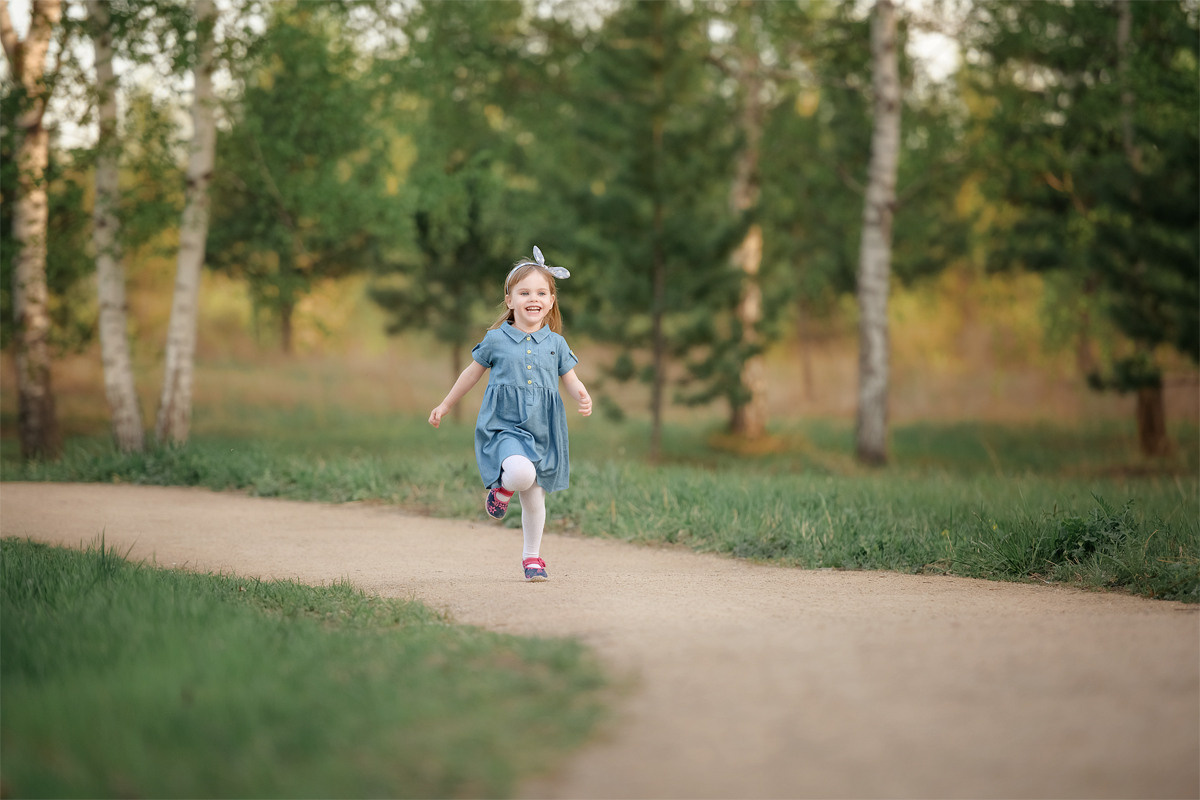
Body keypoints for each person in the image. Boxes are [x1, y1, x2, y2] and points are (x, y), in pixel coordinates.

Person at [428, 247, 592, 582]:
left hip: (543, 428)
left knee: (534, 498)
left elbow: (570, 378)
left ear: (551, 301)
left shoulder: (556, 344)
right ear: (510, 300)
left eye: (541, 293)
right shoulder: (496, 340)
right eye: (525, 292)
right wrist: (445, 405)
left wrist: (581, 394)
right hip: (505, 426)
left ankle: (532, 558)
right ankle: (501, 491)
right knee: (520, 474)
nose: (534, 299)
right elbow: (470, 374)